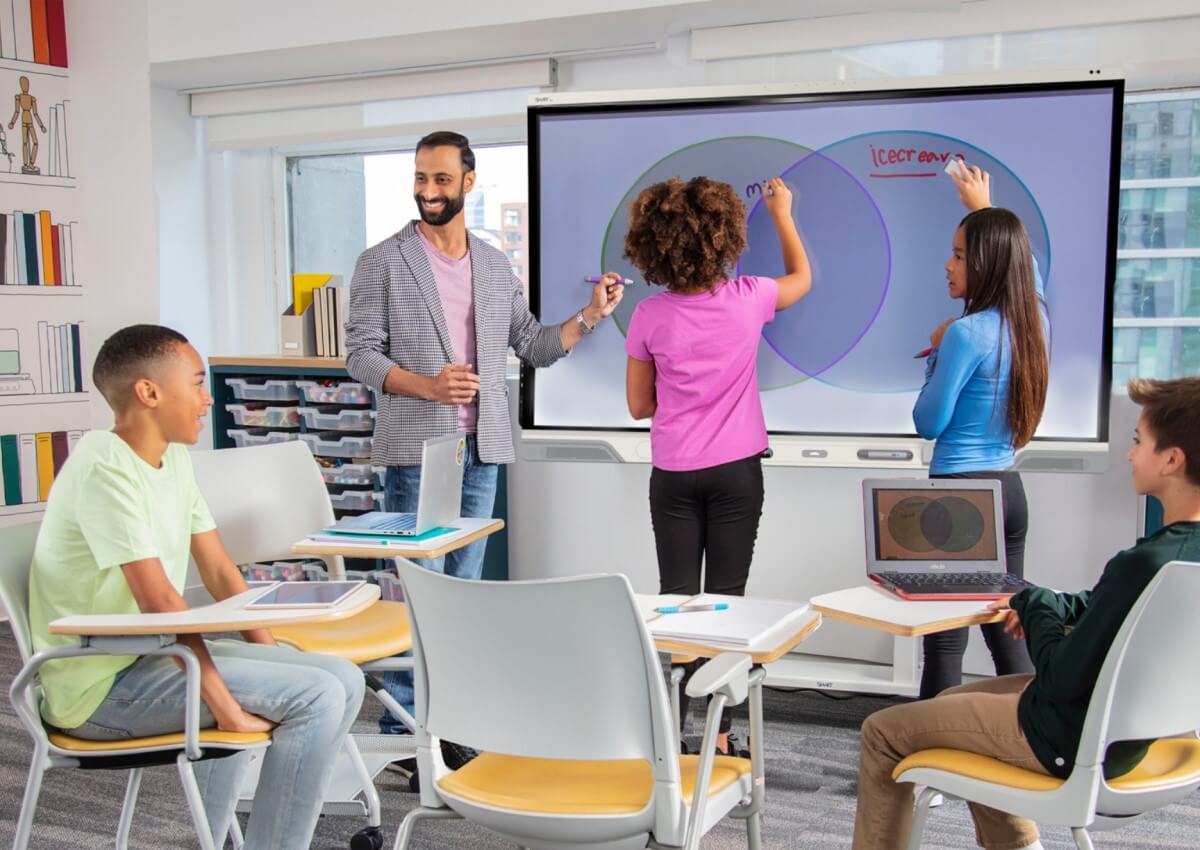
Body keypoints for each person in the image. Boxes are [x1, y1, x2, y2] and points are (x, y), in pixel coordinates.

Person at [28, 324, 365, 850]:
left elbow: (219, 571)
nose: (208, 398)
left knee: (342, 678)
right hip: (98, 687)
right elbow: (160, 603)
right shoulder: (104, 467)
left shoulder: (172, 460)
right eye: (197, 383)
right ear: (149, 392)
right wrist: (222, 703)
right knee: (316, 697)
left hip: (149, 659)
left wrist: (272, 654)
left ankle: (212, 837)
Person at [344, 130, 623, 739]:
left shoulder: (494, 264)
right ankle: (403, 727)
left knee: (463, 591)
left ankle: (452, 720)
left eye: (441, 179)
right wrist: (428, 386)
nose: (428, 191)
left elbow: (534, 346)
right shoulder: (382, 261)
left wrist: (591, 315)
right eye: (421, 178)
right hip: (418, 450)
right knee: (418, 589)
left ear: (469, 182)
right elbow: (360, 356)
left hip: (483, 448)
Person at [852, 376, 1200, 850]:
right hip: (1136, 738)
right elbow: (1110, 607)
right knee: (949, 702)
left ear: (1172, 460)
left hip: (1067, 738)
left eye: (1139, 442)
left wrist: (1035, 607)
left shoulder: (1142, 563)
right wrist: (1043, 598)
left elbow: (1057, 678)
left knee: (881, 732)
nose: (1129, 454)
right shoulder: (1172, 561)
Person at [623, 176, 811, 755]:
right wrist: (782, 213)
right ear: (724, 237)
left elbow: (639, 406)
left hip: (674, 475)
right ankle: (722, 740)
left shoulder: (649, 316)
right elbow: (802, 279)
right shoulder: (750, 297)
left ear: (653, 245)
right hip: (737, 475)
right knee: (729, 603)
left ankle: (671, 741)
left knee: (676, 603)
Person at [911, 165, 1048, 698]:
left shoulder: (966, 334)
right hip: (1009, 492)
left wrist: (937, 350)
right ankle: (1031, 730)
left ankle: (924, 743)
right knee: (1003, 623)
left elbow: (928, 423)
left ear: (987, 263)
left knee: (945, 641)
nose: (948, 266)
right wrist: (983, 209)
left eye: (960, 256)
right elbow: (1026, 272)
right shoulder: (1034, 322)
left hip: (959, 495)